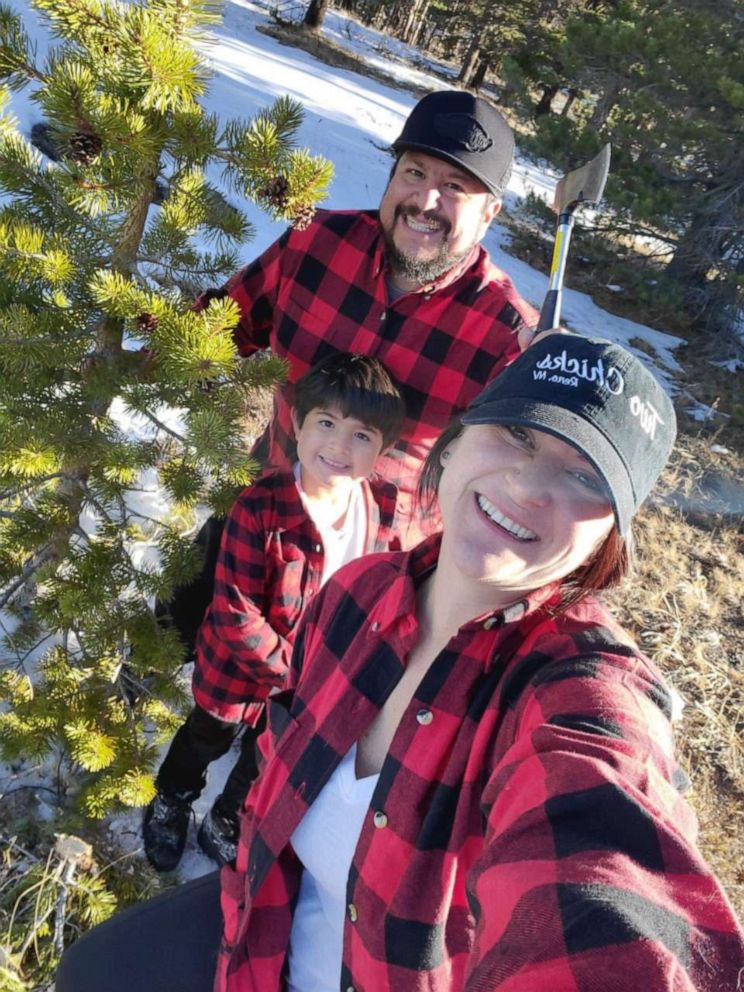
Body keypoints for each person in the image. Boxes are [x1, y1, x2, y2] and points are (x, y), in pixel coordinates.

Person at [57, 335, 744, 992]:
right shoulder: (357, 596)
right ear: (452, 446)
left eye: (583, 475)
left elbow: (610, 884)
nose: (530, 485)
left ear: (610, 537)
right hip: (259, 940)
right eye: (518, 435)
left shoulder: (576, 701)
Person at [194, 88, 538, 548]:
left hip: (374, 572)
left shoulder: (508, 334)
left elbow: (525, 478)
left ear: (488, 214)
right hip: (259, 515)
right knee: (179, 615)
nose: (427, 200)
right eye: (414, 172)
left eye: (454, 187)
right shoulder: (315, 242)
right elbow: (216, 327)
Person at [142, 353, 404, 873]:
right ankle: (172, 797)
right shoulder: (261, 506)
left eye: (362, 436)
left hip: (309, 685)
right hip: (237, 671)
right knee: (207, 736)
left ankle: (227, 816)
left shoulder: (380, 513)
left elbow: (376, 597)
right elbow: (236, 611)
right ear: (296, 423)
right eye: (326, 424)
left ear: (383, 449)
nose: (339, 446)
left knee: (265, 756)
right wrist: (295, 673)